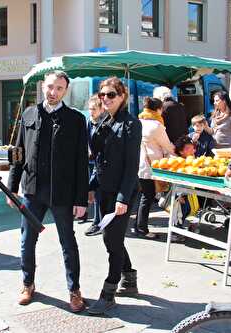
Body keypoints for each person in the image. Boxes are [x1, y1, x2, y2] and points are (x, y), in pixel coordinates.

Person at [7, 71, 88, 312]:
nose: (53, 92)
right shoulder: (29, 113)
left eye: (59, 88)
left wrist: (81, 199)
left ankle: (74, 291)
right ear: (44, 86)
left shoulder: (75, 119)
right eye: (51, 87)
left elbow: (81, 163)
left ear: (66, 91)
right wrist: (11, 188)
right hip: (32, 191)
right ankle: (27, 284)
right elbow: (18, 152)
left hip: (62, 193)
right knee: (26, 241)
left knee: (68, 243)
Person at [87, 77, 142, 315]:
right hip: (104, 190)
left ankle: (108, 293)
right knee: (111, 238)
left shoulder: (131, 124)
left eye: (110, 95)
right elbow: (96, 155)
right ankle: (129, 278)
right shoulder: (104, 121)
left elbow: (131, 167)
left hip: (124, 191)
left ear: (122, 97)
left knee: (113, 240)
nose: (105, 99)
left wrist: (122, 198)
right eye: (102, 95)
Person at [135, 97, 174, 239]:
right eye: (161, 109)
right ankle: (141, 229)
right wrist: (179, 153)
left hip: (139, 164)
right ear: (157, 109)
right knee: (147, 196)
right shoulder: (156, 125)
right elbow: (167, 145)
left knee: (145, 195)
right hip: (151, 166)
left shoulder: (138, 121)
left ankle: (139, 226)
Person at [85, 94, 106, 236]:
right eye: (89, 109)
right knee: (93, 191)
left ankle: (98, 223)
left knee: (98, 192)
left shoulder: (104, 124)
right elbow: (86, 139)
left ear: (101, 109)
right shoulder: (89, 121)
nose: (90, 112)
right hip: (91, 161)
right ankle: (97, 221)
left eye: (93, 109)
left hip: (101, 163)